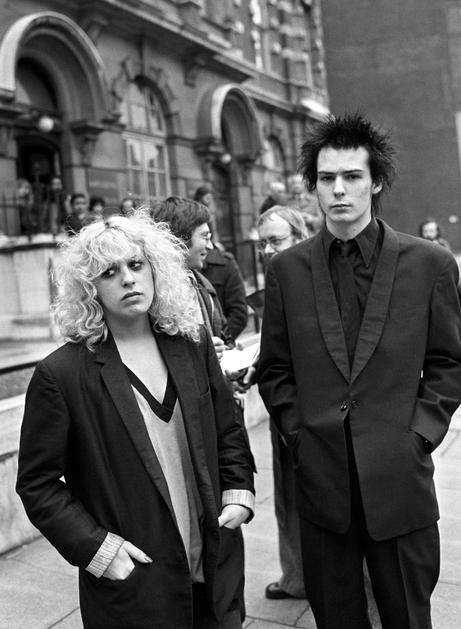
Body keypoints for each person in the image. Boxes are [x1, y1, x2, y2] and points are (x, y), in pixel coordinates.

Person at [257, 113, 461, 629]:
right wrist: (300, 435)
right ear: (314, 186)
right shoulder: (286, 270)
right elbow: (275, 368)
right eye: (327, 178)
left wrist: (419, 435)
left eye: (352, 176)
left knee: (408, 618)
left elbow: (448, 362)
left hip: (399, 483)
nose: (339, 189)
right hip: (322, 488)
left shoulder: (429, 264)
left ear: (376, 182)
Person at [16, 211, 255, 629]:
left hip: (214, 570)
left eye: (136, 264)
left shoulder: (191, 342)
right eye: (109, 272)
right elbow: (38, 484)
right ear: (90, 288)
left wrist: (238, 489)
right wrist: (97, 549)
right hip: (138, 586)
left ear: (155, 270)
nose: (128, 279)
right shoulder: (62, 375)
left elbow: (226, 426)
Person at [256, 206, 309, 601]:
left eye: (276, 241)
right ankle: (296, 577)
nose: (267, 250)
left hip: (315, 410)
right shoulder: (276, 279)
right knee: (288, 498)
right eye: (263, 244)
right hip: (284, 410)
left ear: (299, 237)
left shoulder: (311, 279)